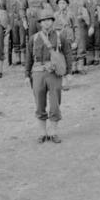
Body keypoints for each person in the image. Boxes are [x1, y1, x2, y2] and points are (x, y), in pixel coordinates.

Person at [31, 13, 68, 143]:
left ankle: (53, 131)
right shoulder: (34, 38)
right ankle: (42, 133)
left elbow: (67, 54)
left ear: (52, 21)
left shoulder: (59, 36)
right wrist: (26, 75)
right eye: (43, 20)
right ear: (40, 23)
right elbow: (29, 58)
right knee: (39, 103)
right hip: (38, 73)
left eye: (49, 20)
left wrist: (67, 75)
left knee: (55, 103)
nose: (46, 23)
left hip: (54, 73)